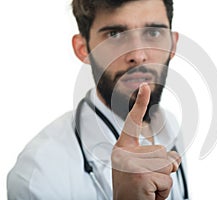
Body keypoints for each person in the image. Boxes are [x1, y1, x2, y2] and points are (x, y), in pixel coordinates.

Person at [7, 0, 189, 199]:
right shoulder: (38, 175)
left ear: (173, 44)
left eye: (153, 33)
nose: (138, 55)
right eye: (115, 35)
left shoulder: (170, 126)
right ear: (83, 48)